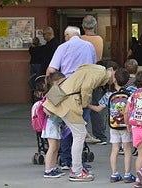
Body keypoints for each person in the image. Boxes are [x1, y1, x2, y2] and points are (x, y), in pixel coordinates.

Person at [43, 63, 115, 182]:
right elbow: (86, 87)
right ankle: (76, 170)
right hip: (70, 103)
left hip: (63, 99)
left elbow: (74, 79)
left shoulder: (92, 68)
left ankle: (77, 168)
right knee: (79, 135)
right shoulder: (101, 74)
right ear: (111, 70)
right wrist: (85, 102)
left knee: (79, 135)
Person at [46, 26, 97, 171]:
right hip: (84, 90)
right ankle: (79, 161)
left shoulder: (63, 47)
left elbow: (51, 69)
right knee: (81, 126)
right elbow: (94, 66)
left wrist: (49, 88)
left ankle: (66, 159)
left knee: (67, 126)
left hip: (66, 90)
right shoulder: (89, 46)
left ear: (68, 35)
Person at [88, 67, 136, 183]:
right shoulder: (132, 92)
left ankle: (114, 174)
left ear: (114, 80)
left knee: (114, 149)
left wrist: (87, 105)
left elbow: (99, 109)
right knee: (127, 150)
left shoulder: (109, 94)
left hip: (113, 126)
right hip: (126, 125)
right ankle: (127, 174)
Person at [81, 15, 107, 145]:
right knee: (95, 102)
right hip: (95, 73)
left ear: (83, 26)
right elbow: (99, 56)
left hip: (82, 74)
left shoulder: (80, 39)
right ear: (95, 25)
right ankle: (100, 135)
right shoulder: (99, 39)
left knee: (81, 104)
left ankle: (81, 133)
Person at [42, 71, 66, 178]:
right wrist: (53, 114)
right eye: (62, 82)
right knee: (52, 147)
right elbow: (45, 108)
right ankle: (48, 169)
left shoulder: (59, 92)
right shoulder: (52, 93)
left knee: (56, 146)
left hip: (56, 123)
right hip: (51, 123)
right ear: (56, 82)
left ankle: (53, 167)